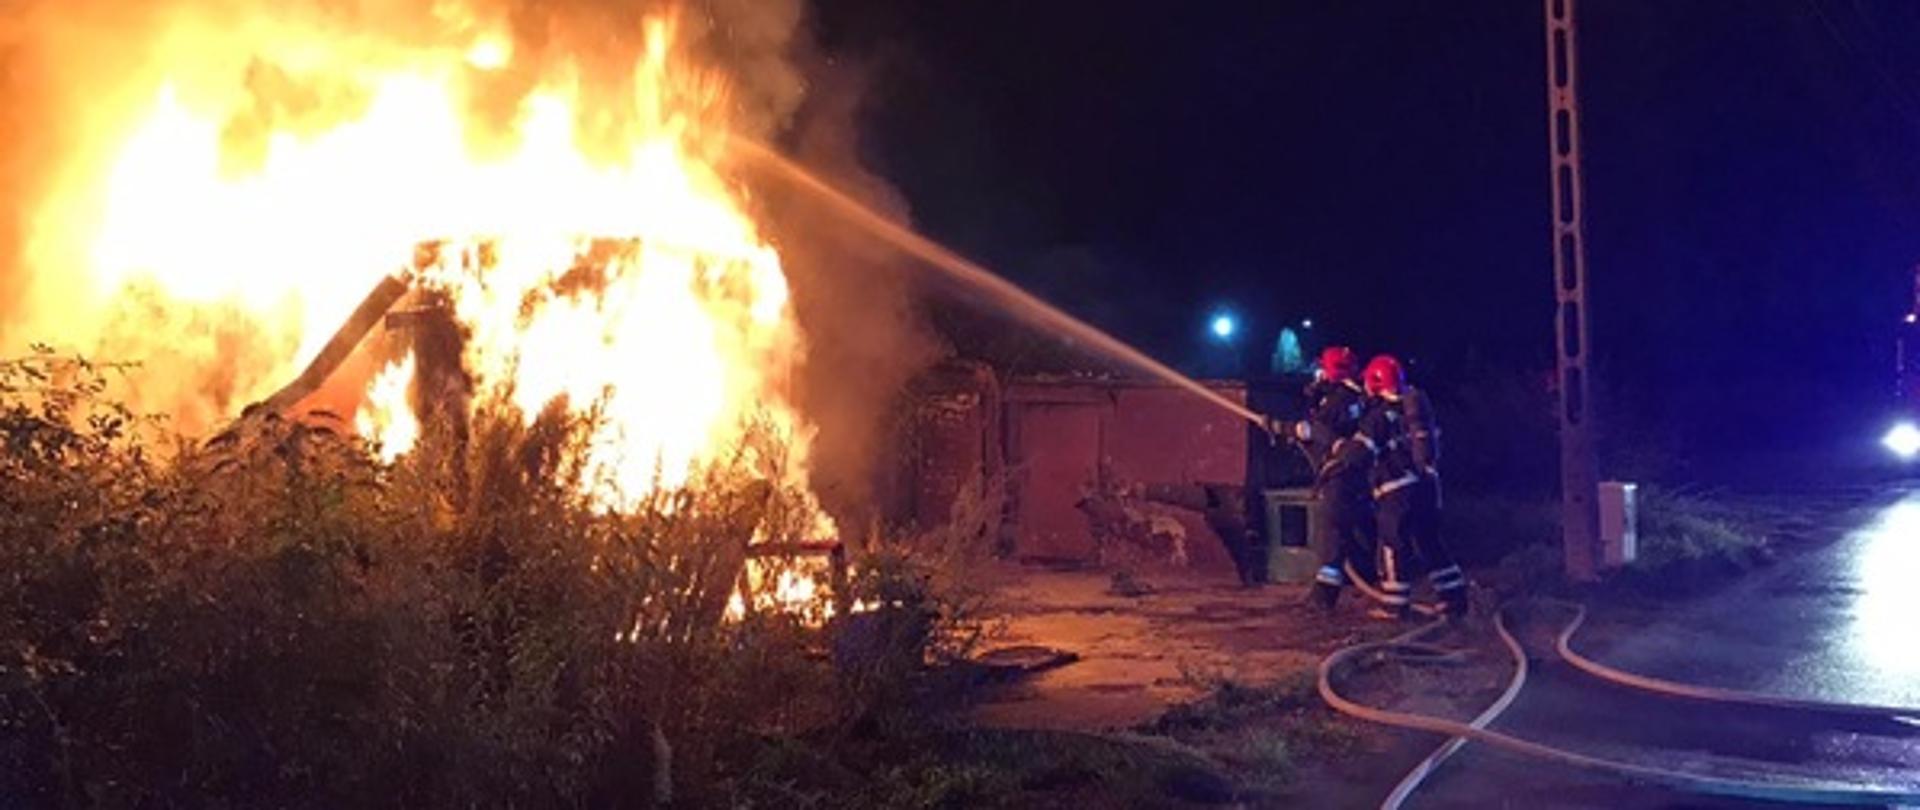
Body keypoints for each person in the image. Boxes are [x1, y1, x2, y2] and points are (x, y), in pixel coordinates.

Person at [1360, 354, 1468, 619]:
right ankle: (1454, 598)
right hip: (1428, 486)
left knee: (1393, 544)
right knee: (1429, 541)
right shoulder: (1415, 408)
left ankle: (1395, 605)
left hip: (1396, 491)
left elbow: (1360, 452)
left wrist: (1337, 458)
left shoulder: (1377, 418)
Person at [1275, 347, 1380, 612]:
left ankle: (1324, 596)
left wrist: (1283, 428)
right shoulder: (1359, 397)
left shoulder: (1338, 400)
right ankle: (1368, 580)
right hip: (1356, 475)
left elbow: (1315, 430)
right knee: (1358, 528)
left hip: (1339, 475)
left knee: (1332, 531)